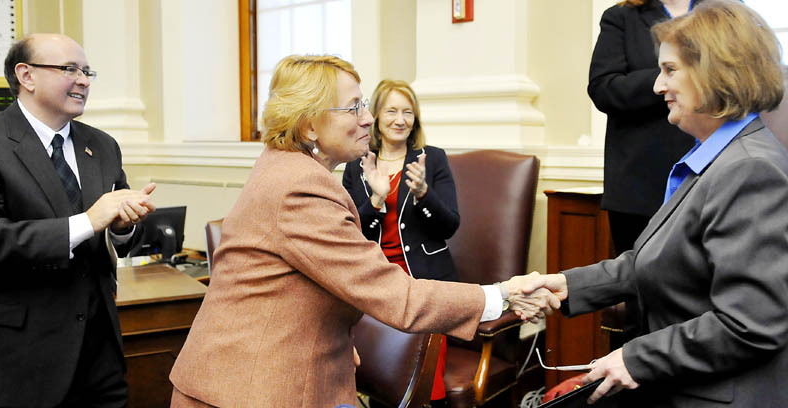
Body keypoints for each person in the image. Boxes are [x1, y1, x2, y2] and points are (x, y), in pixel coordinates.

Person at [168, 55, 559, 407]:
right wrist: (502, 295)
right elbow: (398, 296)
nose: (369, 119)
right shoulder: (301, 187)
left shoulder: (282, 167)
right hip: (253, 388)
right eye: (354, 107)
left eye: (365, 104)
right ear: (308, 126)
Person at [525, 1, 788, 406]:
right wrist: (566, 285)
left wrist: (634, 357)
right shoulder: (713, 159)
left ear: (713, 71)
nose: (656, 87)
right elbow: (651, 261)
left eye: (669, 71)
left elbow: (749, 324)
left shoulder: (749, 171)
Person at [0, 34, 157, 407]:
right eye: (69, 69)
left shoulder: (103, 145)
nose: (83, 80)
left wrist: (123, 225)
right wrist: (88, 220)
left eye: (86, 71)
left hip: (100, 353)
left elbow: (119, 232)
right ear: (26, 75)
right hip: (21, 357)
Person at [588, 0, 701, 343]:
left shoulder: (725, 7)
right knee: (640, 302)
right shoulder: (621, 16)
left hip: (709, 169)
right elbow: (604, 88)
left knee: (700, 295)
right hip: (637, 184)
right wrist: (675, 73)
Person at [342, 79, 455, 405]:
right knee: (379, 368)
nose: (400, 119)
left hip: (424, 279)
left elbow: (449, 226)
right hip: (374, 279)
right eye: (391, 110)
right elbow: (350, 232)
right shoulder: (356, 165)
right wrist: (376, 200)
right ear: (376, 116)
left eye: (408, 112)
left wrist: (423, 194)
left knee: (418, 366)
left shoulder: (432, 159)